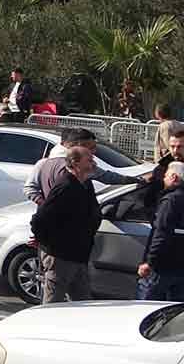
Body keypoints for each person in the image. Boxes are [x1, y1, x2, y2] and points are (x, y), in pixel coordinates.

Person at [31, 146, 102, 304]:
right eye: (89, 160)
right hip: (61, 257)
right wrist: (50, 247)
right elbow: (39, 221)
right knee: (53, 304)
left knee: (82, 302)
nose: (93, 163)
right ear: (75, 163)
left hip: (79, 256)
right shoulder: (65, 186)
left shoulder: (86, 184)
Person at [24, 127, 150, 205]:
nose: (94, 152)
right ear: (77, 146)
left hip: (50, 225)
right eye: (91, 147)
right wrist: (138, 180)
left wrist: (44, 205)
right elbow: (109, 177)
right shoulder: (79, 166)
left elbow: (30, 189)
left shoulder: (42, 163)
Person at [138, 162, 184, 301]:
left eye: (166, 176)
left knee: (146, 308)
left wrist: (150, 262)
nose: (164, 179)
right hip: (180, 267)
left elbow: (161, 233)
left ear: (174, 177)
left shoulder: (171, 200)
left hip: (162, 266)